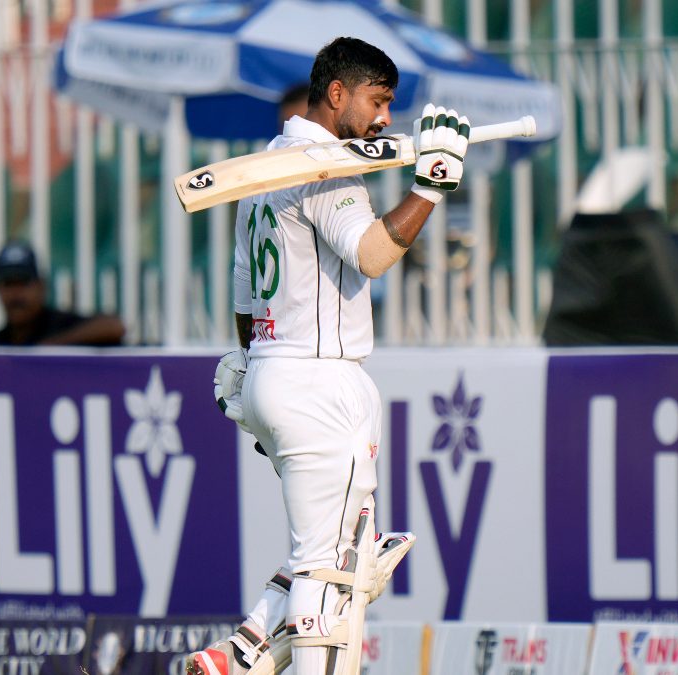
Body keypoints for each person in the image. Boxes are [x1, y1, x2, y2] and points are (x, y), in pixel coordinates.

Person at [188, 37, 471, 675]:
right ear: (337, 93)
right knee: (331, 571)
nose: (385, 120)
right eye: (378, 101)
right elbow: (372, 255)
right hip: (317, 380)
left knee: (341, 549)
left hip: (270, 370)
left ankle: (240, 655)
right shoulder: (322, 163)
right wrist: (429, 188)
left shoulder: (265, 167)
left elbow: (244, 299)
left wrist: (255, 370)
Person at [0, 240, 126, 346]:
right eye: (9, 284)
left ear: (41, 286)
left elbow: (115, 327)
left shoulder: (60, 325)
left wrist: (50, 346)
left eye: (23, 283)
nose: (16, 294)